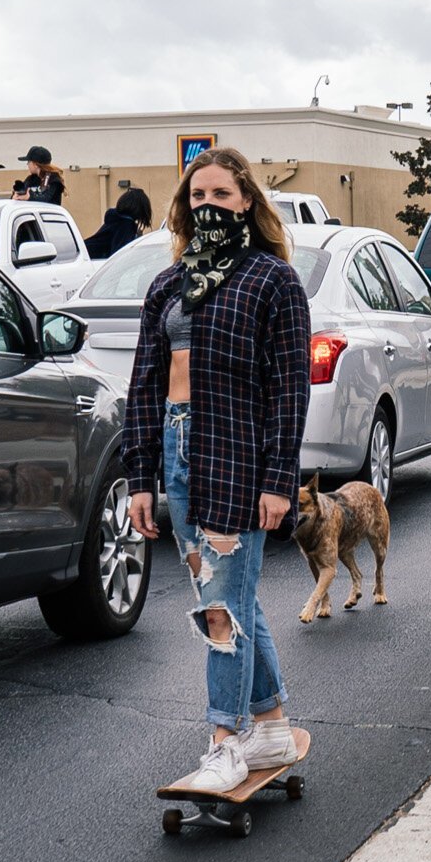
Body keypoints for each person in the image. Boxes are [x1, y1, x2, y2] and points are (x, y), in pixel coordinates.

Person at [122, 147, 311, 791]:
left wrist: (278, 479)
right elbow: (144, 384)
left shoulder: (273, 281)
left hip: (236, 450)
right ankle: (274, 725)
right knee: (229, 596)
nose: (208, 207)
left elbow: (289, 390)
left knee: (220, 606)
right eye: (197, 198)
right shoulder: (168, 285)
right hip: (176, 449)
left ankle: (224, 740)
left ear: (248, 203)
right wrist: (139, 477)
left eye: (221, 196)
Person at [85, 187, 154, 259]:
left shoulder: (116, 220)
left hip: (87, 255)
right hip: (94, 261)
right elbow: (119, 255)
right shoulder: (126, 226)